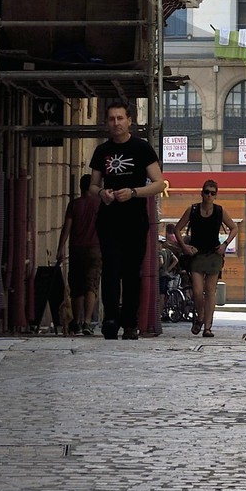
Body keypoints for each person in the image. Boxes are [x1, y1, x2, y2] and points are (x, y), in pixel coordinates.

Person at [90, 99, 164, 338]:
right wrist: (103, 193)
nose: (116, 123)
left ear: (129, 121)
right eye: (112, 119)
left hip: (135, 220)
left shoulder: (142, 148)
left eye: (120, 118)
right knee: (110, 269)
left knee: (132, 272)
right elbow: (92, 185)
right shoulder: (102, 151)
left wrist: (133, 192)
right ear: (107, 123)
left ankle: (130, 322)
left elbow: (159, 183)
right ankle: (110, 319)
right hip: (109, 219)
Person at [171, 180, 238, 336]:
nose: (209, 195)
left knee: (210, 290)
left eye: (212, 193)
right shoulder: (193, 210)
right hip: (196, 255)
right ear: (202, 193)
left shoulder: (219, 211)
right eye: (206, 192)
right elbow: (177, 229)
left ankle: (207, 327)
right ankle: (200, 317)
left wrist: (225, 244)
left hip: (214, 254)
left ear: (216, 195)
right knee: (197, 290)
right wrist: (184, 247)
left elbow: (234, 227)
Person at [57, 173, 102, 335]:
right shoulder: (100, 204)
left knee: (76, 286)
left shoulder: (74, 205)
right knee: (91, 285)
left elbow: (66, 228)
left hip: (76, 249)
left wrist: (60, 248)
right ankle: (87, 322)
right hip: (95, 249)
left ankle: (76, 321)